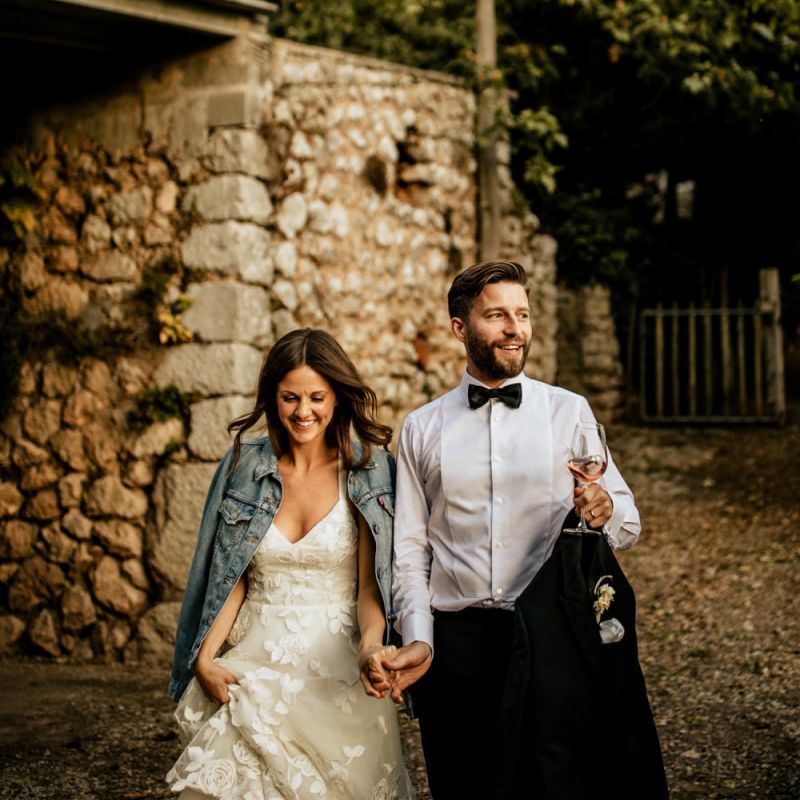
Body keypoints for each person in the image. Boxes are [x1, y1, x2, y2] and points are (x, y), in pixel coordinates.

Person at [381, 260, 642, 799]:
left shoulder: (569, 412)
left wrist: (601, 510)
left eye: (521, 315)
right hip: (457, 645)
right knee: (463, 785)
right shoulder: (421, 428)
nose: (514, 328)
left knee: (552, 785)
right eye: (497, 315)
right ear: (460, 328)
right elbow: (408, 549)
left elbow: (626, 518)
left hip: (551, 634)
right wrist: (419, 639)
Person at [166, 328, 415, 800]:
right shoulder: (243, 465)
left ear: (338, 396)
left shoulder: (371, 469)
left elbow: (369, 587)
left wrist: (369, 648)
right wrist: (204, 659)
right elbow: (233, 576)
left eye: (317, 397)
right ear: (272, 397)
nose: (304, 412)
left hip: (339, 671)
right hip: (252, 669)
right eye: (290, 398)